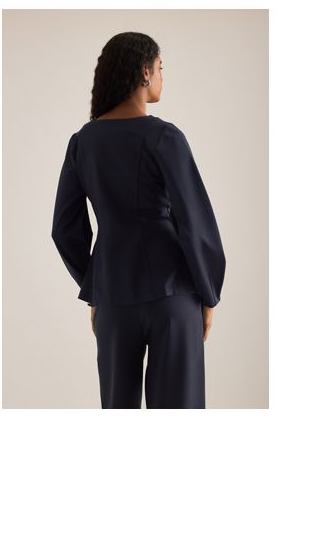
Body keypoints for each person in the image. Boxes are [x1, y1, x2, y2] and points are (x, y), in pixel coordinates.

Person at [51, 31, 226, 408]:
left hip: (114, 297)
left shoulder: (83, 142)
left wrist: (96, 285)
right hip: (173, 294)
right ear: (145, 72)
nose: (162, 76)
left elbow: (64, 229)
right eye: (160, 67)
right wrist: (209, 291)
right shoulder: (164, 136)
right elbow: (194, 219)